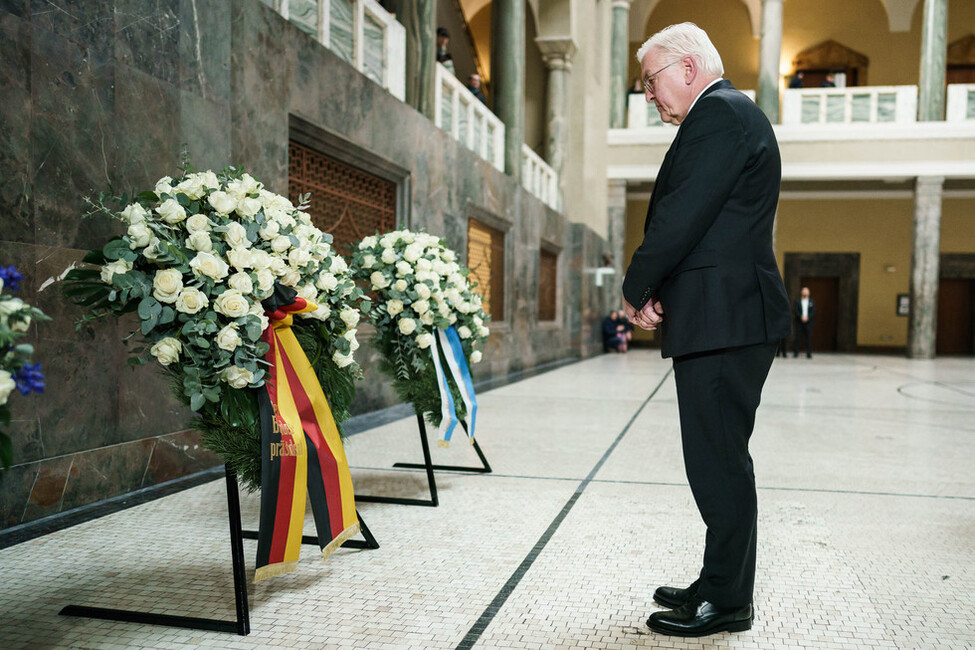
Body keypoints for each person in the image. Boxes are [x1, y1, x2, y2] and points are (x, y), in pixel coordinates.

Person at [621, 22, 791, 637]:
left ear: (688, 68)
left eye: (651, 79)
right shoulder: (723, 114)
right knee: (717, 459)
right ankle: (718, 581)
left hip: (727, 318)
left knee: (717, 462)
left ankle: (729, 600)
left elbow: (681, 215)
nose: (648, 94)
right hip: (722, 315)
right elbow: (701, 221)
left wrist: (636, 286)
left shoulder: (719, 114)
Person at [793, 286, 816, 358]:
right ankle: (796, 352)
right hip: (799, 322)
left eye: (806, 291)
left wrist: (808, 317)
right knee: (798, 337)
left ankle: (808, 353)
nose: (805, 292)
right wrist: (801, 317)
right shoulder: (797, 301)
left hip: (808, 322)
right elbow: (795, 310)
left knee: (808, 338)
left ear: (809, 293)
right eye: (804, 291)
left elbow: (813, 311)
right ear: (801, 292)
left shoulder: (812, 301)